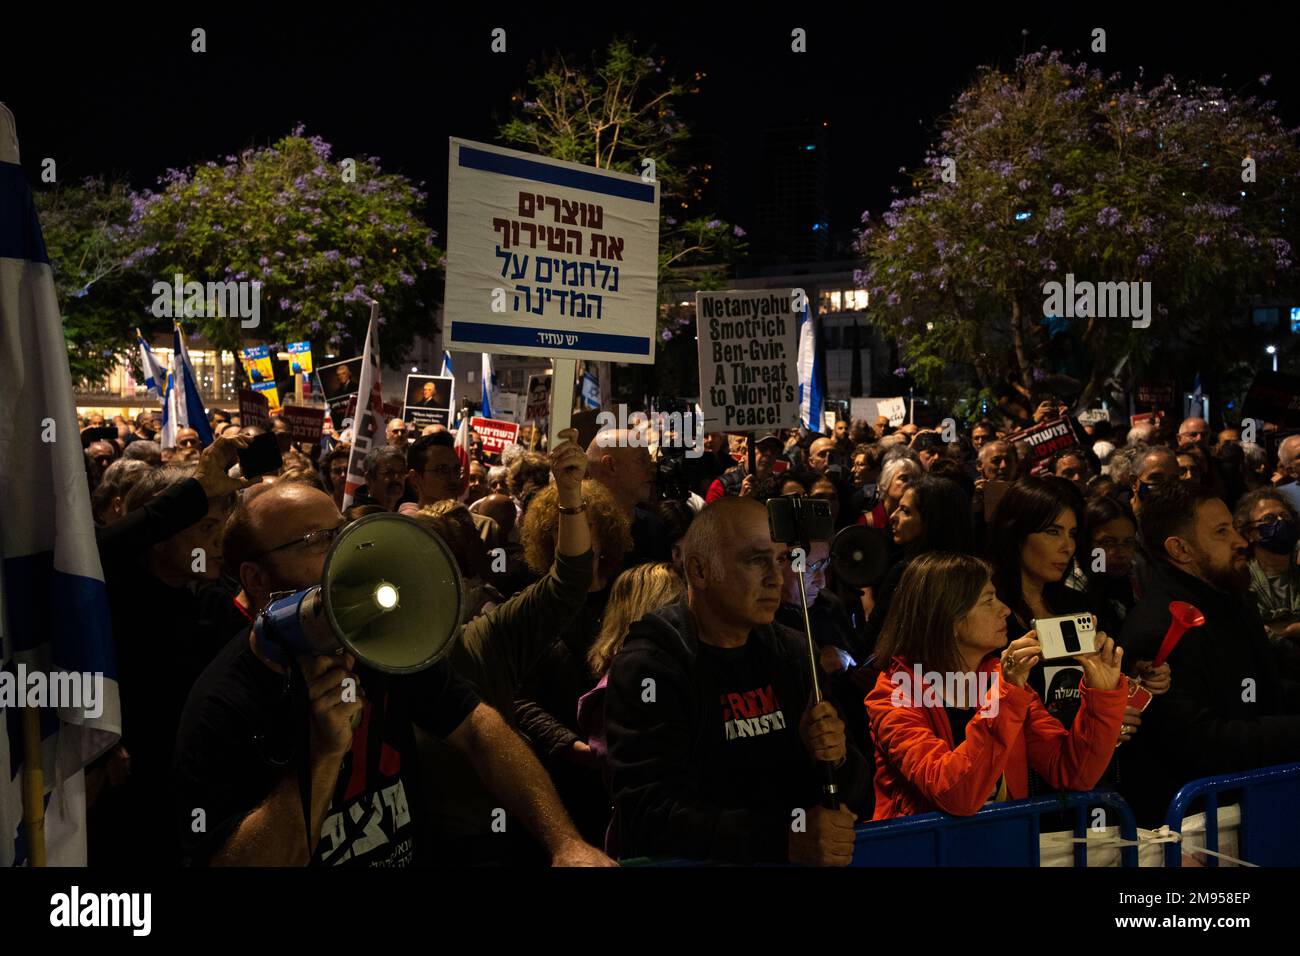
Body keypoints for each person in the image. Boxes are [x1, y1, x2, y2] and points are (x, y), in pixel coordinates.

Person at [175, 475, 612, 867]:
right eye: (316, 539)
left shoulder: (376, 646)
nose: (342, 549)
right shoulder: (222, 703)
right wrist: (322, 758)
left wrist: (565, 842)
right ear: (254, 579)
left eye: (340, 530)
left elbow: (479, 729)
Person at [604, 496, 871, 864]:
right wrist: (782, 839)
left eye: (780, 559)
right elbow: (650, 812)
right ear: (699, 571)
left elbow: (856, 797)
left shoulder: (792, 651)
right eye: (756, 560)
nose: (776, 578)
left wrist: (837, 760)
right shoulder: (651, 665)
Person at [866, 553, 1129, 819]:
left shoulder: (999, 677)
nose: (1004, 609)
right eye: (988, 600)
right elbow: (956, 795)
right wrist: (1007, 692)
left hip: (1003, 842)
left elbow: (1072, 772)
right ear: (949, 617)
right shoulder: (893, 694)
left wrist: (1102, 695)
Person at [88, 434, 251, 865]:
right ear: (159, 536)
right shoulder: (110, 596)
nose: (219, 543)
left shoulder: (218, 602)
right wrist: (193, 492)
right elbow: (99, 551)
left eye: (223, 527)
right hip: (125, 810)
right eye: (206, 527)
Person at [1117, 481, 1300, 825]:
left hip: (1258, 805)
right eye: (1221, 531)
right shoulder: (1158, 629)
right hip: (1198, 827)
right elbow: (1203, 742)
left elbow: (1267, 689)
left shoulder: (1232, 599)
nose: (1241, 541)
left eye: (1232, 526)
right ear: (1181, 549)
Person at [863, 475, 974, 651]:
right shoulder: (975, 571)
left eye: (905, 511)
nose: (893, 516)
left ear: (933, 520)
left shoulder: (908, 572)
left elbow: (875, 638)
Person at [1232, 488, 1300, 675]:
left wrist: (1287, 629)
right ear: (1250, 533)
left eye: (1285, 516)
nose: (1280, 523)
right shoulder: (1241, 581)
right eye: (1269, 519)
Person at [586, 429, 668, 566]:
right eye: (642, 460)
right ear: (611, 466)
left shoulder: (654, 528)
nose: (652, 469)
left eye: (649, 460)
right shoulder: (579, 533)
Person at [860, 457, 920, 529]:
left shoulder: (913, 521)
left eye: (914, 480)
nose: (910, 483)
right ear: (887, 481)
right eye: (904, 478)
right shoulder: (868, 522)